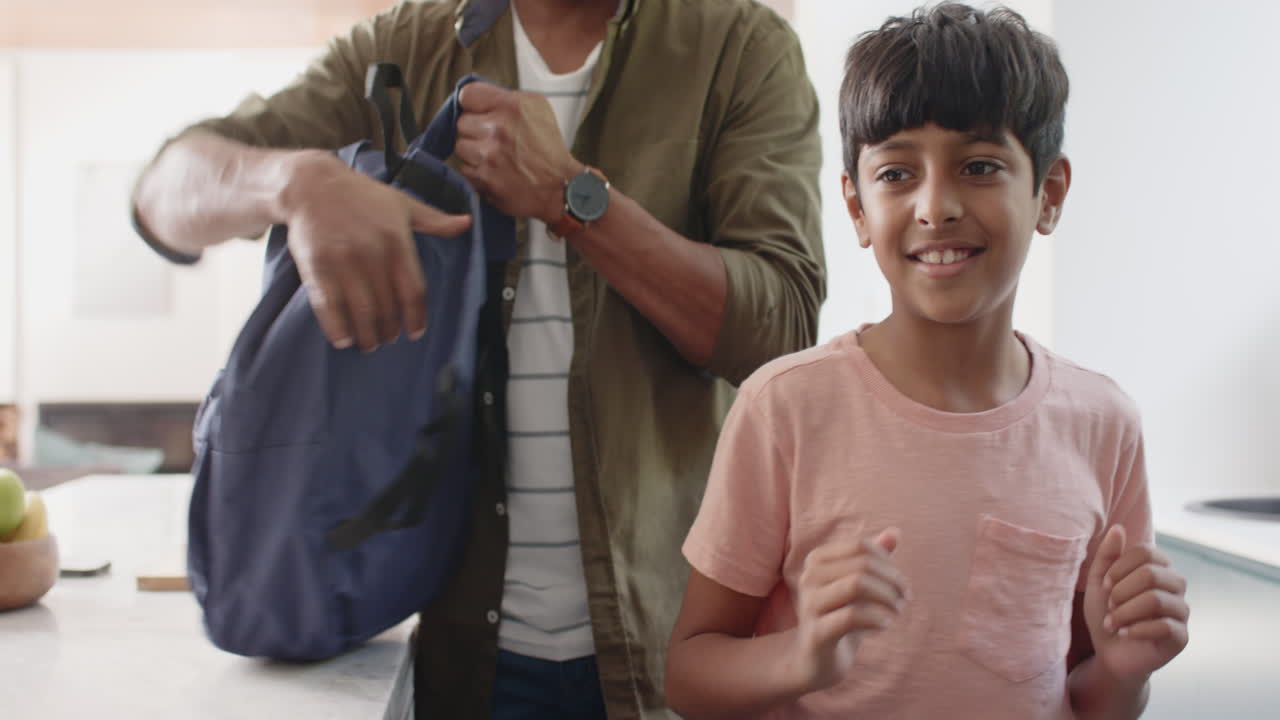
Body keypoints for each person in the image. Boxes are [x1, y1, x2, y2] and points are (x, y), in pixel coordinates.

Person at [131, 0, 824, 717]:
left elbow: (781, 327)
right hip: (459, 661)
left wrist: (570, 197)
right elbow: (162, 192)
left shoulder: (739, 43)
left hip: (671, 656)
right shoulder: (404, 42)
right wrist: (293, 183)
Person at [665, 4, 1191, 718]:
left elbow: (1088, 695)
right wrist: (802, 657)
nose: (935, 206)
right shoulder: (784, 408)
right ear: (855, 206)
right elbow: (689, 677)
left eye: (979, 167)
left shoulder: (1103, 424)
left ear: (1050, 193)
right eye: (896, 174)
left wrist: (1127, 674)